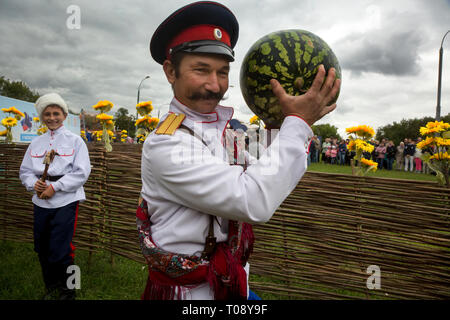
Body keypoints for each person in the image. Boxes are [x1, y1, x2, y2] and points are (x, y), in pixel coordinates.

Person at [136, 1, 340, 300]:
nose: (215, 85)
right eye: (201, 70)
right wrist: (298, 122)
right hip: (191, 293)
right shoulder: (167, 143)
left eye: (222, 72)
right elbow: (252, 199)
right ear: (170, 71)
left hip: (229, 280)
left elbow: (266, 171)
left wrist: (278, 123)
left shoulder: (213, 130)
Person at [19, 93, 91, 300]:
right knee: (41, 246)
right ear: (42, 117)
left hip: (66, 200)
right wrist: (34, 184)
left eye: (56, 113)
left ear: (65, 115)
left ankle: (69, 291)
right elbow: (25, 171)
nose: (52, 118)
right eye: (47, 114)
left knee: (62, 249)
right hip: (40, 200)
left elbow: (81, 172)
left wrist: (56, 187)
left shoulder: (76, 141)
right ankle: (50, 287)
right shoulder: (36, 143)